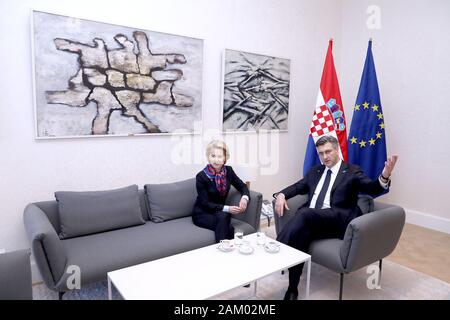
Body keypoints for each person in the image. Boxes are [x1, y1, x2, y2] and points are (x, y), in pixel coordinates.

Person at [274, 135, 398, 300]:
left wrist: (384, 176)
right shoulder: (315, 171)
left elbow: (371, 188)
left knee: (303, 214)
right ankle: (292, 289)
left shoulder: (352, 171)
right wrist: (281, 194)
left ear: (337, 149)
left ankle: (276, 250)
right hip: (313, 220)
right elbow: (298, 187)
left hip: (337, 221)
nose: (324, 157)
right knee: (300, 235)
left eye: (328, 152)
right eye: (320, 153)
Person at [192, 140, 250, 243]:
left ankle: (224, 250)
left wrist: (244, 199)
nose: (216, 160)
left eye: (220, 156)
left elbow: (243, 187)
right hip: (202, 213)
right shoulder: (201, 177)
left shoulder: (229, 171)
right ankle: (226, 250)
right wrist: (228, 208)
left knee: (224, 217)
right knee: (228, 226)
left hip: (220, 212)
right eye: (213, 156)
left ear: (225, 158)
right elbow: (205, 204)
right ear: (208, 157)